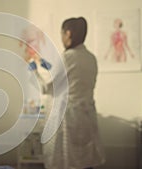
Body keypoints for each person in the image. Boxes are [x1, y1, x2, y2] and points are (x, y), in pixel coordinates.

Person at [38, 17, 105, 169]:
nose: (61, 38)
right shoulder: (91, 58)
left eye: (62, 34)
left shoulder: (67, 57)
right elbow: (72, 77)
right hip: (87, 117)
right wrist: (49, 66)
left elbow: (48, 88)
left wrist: (35, 72)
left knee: (67, 162)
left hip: (69, 119)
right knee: (85, 160)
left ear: (68, 33)